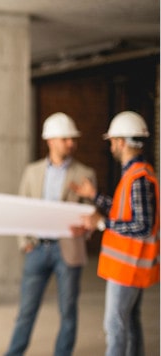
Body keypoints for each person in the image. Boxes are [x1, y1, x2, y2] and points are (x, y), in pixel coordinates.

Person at [5, 112, 96, 356]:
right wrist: (24, 242)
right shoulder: (32, 172)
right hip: (36, 248)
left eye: (72, 139)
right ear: (51, 141)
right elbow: (22, 208)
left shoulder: (85, 173)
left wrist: (86, 232)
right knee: (26, 310)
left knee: (68, 309)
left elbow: (90, 215)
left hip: (68, 249)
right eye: (66, 139)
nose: (71, 143)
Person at [72, 111, 159, 356]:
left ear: (121, 142)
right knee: (130, 322)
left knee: (115, 325)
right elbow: (124, 212)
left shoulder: (138, 178)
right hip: (129, 266)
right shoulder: (134, 174)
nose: (111, 146)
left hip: (128, 267)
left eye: (112, 141)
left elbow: (142, 225)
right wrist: (95, 197)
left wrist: (102, 224)